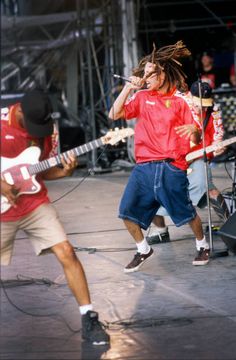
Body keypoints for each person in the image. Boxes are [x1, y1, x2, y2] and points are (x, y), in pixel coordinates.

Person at [0, 89, 110, 346]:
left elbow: (40, 173)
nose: (38, 132)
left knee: (67, 252)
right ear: (19, 113)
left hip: (34, 204)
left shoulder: (46, 130)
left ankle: (88, 318)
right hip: (3, 211)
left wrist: (64, 172)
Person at [108, 41, 210, 272]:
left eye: (150, 73)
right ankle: (143, 249)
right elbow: (114, 114)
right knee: (126, 213)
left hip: (171, 166)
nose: (145, 77)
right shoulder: (142, 97)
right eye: (143, 73)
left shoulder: (180, 100)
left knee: (186, 214)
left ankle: (202, 245)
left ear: (162, 74)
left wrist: (194, 131)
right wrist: (127, 89)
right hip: (143, 168)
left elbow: (196, 134)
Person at [147, 81, 229, 245]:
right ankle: (162, 231)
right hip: (173, 156)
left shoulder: (213, 111)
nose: (202, 108)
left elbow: (216, 137)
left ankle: (229, 225)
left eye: (205, 105)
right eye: (199, 105)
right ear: (190, 97)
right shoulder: (176, 104)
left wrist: (219, 149)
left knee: (207, 186)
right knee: (152, 192)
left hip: (198, 157)